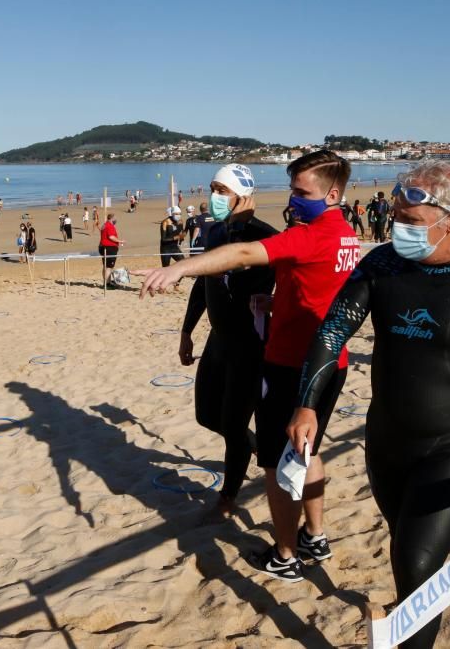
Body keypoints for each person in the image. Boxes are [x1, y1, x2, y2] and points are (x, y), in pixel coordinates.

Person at [288, 162, 450, 648]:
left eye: (411, 222)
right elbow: (332, 331)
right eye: (396, 218)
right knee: (407, 553)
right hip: (386, 440)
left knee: (414, 568)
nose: (398, 230)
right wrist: (306, 405)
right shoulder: (383, 264)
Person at [135, 150, 359, 582]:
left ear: (332, 194)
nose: (293, 199)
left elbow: (241, 254)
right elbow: (324, 291)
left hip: (293, 364)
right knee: (307, 451)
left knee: (276, 463)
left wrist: (180, 268)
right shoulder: (344, 234)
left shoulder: (313, 234)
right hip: (329, 360)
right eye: (292, 189)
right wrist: (279, 302)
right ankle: (315, 535)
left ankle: (286, 554)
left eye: (301, 191)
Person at [180, 164, 277, 518]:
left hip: (250, 345)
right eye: (213, 188)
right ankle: (250, 444)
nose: (214, 196)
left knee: (234, 424)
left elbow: (298, 287)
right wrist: (187, 330)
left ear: (244, 195)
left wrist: (277, 308)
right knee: (207, 416)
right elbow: (201, 283)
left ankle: (228, 497)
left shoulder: (265, 236)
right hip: (217, 340)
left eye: (222, 190)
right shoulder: (215, 232)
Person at [159, 206, 185, 273]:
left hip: (175, 248)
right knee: (165, 269)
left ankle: (177, 281)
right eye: (176, 214)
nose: (178, 215)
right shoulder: (165, 222)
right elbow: (163, 239)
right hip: (165, 249)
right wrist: (176, 237)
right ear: (172, 214)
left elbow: (181, 234)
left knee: (184, 264)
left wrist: (181, 239)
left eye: (180, 214)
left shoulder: (180, 221)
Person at [99, 212, 123, 285]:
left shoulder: (104, 225)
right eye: (115, 219)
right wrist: (120, 241)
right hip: (109, 247)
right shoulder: (109, 226)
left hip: (103, 247)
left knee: (105, 266)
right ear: (112, 219)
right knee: (109, 267)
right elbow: (111, 237)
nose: (116, 220)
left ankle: (107, 281)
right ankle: (107, 283)